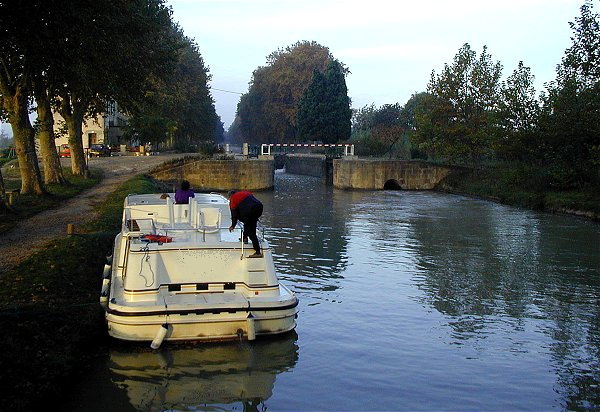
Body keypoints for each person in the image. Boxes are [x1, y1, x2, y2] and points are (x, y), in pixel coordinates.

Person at [228, 190, 263, 258]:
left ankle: (258, 252)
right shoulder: (244, 193)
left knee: (251, 232)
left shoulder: (233, 198)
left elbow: (234, 214)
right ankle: (244, 237)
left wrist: (233, 225)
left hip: (250, 210)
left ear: (230, 196)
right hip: (259, 207)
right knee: (248, 222)